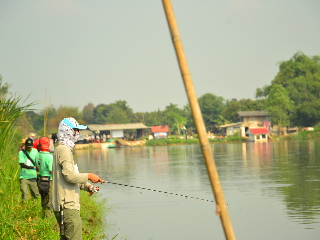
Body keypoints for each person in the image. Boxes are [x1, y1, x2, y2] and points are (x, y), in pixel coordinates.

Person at [51, 117, 104, 240]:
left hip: (66, 205)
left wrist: (87, 185)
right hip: (66, 205)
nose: (78, 133)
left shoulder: (62, 148)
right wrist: (89, 176)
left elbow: (71, 174)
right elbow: (69, 176)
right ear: (67, 130)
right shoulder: (63, 150)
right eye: (76, 130)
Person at [36, 137, 53, 218]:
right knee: (49, 199)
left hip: (39, 179)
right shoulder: (49, 157)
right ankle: (48, 218)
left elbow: (36, 166)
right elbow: (51, 169)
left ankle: (43, 215)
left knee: (43, 198)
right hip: (48, 180)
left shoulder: (37, 154)